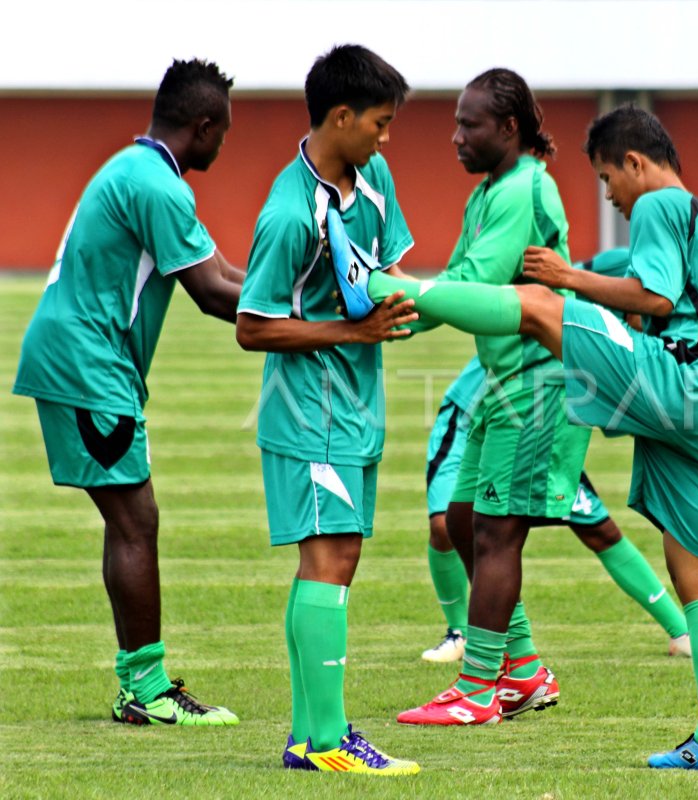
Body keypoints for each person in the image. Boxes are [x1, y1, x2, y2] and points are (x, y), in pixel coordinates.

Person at [368, 104, 698, 771]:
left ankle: (387, 285)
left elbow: (656, 296)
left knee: (535, 306)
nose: (611, 195)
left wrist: (568, 278)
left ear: (636, 163)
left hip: (679, 384)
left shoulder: (660, 206)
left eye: (609, 179)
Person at [12, 59, 243, 727]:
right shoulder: (158, 187)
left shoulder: (137, 170)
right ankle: (145, 689)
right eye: (222, 131)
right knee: (135, 520)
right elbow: (212, 295)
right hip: (88, 364)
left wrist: (290, 289)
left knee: (131, 519)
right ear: (201, 127)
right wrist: (317, 325)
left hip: (83, 358)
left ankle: (140, 684)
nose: (225, 144)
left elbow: (222, 269)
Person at [234, 44, 420, 776]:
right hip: (308, 412)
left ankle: (308, 737)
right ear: (339, 116)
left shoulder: (374, 179)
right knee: (329, 557)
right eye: (379, 122)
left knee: (336, 561)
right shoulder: (288, 214)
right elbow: (252, 324)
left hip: (355, 406)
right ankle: (329, 739)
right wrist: (354, 331)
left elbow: (387, 273)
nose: (386, 136)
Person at [392, 68, 592, 727]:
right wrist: (387, 319)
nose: (454, 136)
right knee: (461, 520)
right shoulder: (489, 194)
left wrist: (397, 291)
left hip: (539, 382)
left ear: (508, 128)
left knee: (499, 532)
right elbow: (456, 282)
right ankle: (526, 669)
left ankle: (478, 690)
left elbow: (474, 286)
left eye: (467, 124)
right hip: (504, 383)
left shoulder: (526, 188)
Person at [419, 256, 691, 664]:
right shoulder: (604, 273)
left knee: (598, 530)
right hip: (472, 416)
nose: (648, 330)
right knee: (447, 526)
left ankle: (680, 631)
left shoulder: (619, 336)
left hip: (538, 428)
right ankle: (460, 633)